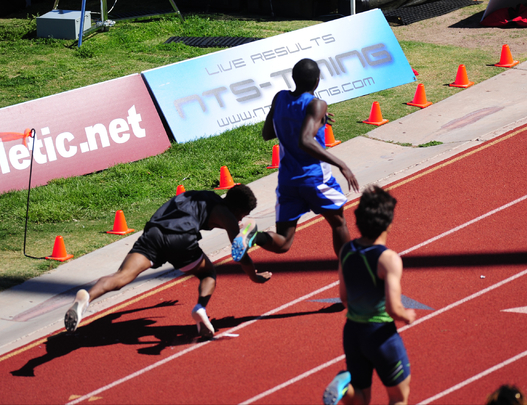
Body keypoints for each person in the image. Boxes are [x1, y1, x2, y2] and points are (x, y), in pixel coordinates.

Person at [64, 184, 272, 338]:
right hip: (180, 239)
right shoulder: (225, 214)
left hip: (154, 232)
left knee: (121, 276)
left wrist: (149, 310)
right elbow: (240, 252)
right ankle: (200, 308)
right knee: (208, 274)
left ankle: (86, 298)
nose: (239, 220)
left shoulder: (205, 197)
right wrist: (253, 276)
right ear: (236, 209)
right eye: (242, 215)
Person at [231, 58, 360, 263]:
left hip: (288, 181)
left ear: (293, 78)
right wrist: (342, 165)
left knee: (283, 242)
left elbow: (267, 133)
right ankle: (350, 270)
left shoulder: (280, 98)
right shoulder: (316, 104)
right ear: (318, 81)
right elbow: (305, 140)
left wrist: (316, 118)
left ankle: (253, 234)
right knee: (338, 223)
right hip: (314, 178)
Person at [322, 185, 416, 405]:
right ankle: (344, 388)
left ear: (357, 220)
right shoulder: (388, 259)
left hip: (353, 334)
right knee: (398, 397)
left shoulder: (346, 251)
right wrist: (406, 315)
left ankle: (344, 389)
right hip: (381, 336)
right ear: (388, 224)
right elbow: (393, 308)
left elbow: (344, 298)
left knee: (361, 399)